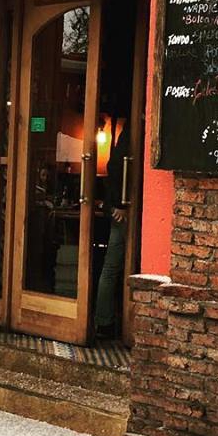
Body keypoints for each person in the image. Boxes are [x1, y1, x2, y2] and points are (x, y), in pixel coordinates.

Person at [94, 124, 131, 338]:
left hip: (121, 206)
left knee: (114, 265)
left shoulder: (132, 130)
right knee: (113, 264)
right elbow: (116, 165)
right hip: (123, 209)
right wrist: (120, 203)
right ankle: (104, 321)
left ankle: (107, 320)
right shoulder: (134, 130)